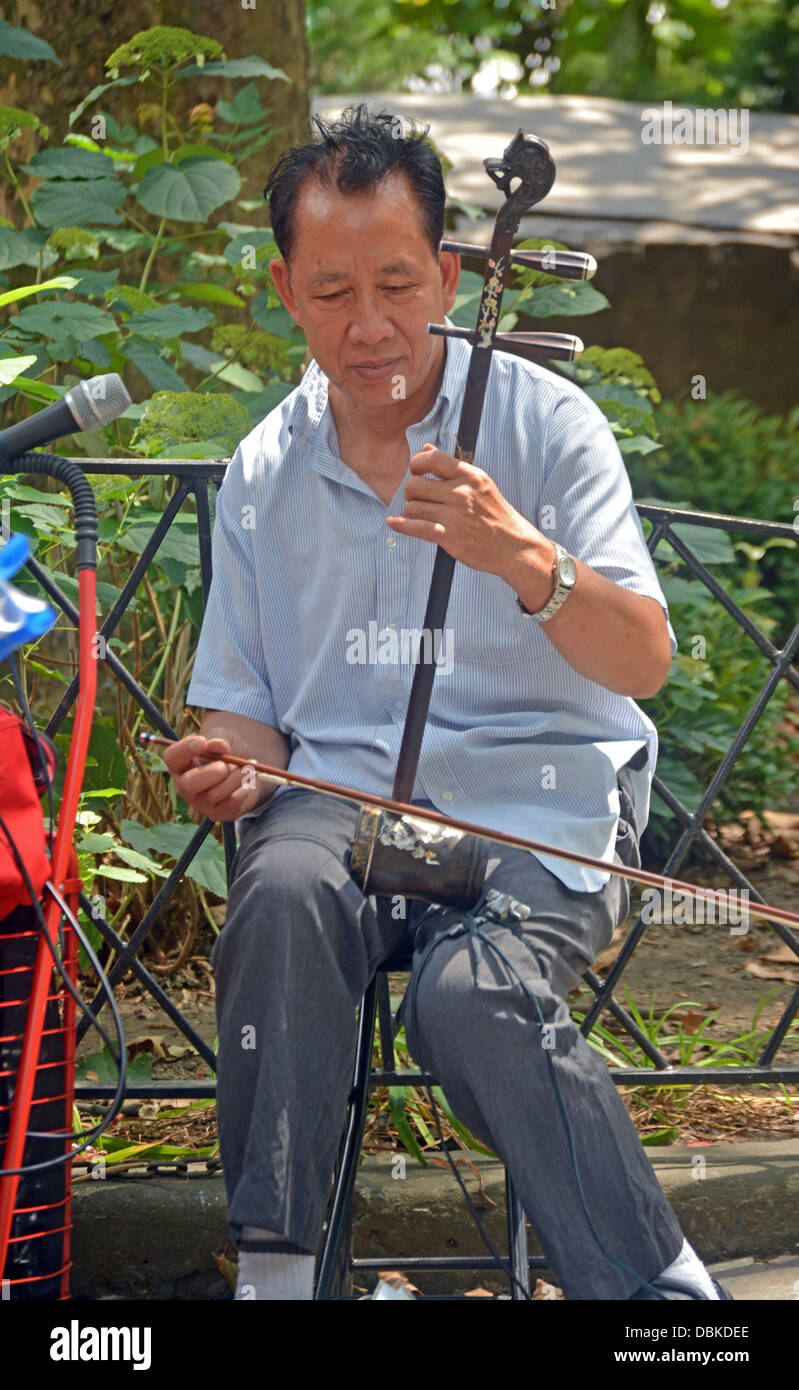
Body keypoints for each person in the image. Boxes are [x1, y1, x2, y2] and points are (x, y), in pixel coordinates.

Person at [164, 104, 729, 1301]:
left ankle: (661, 1299)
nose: (369, 328)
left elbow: (642, 662)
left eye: (398, 284)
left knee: (475, 1002)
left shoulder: (545, 423)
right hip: (346, 801)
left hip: (540, 788)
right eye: (330, 293)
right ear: (283, 289)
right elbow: (251, 712)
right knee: (275, 887)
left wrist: (527, 559)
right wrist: (237, 763)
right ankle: (277, 1276)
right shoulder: (263, 471)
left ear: (454, 272)